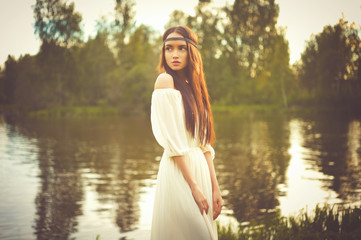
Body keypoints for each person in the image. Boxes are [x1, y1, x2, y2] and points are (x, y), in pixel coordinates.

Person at [150, 25, 222, 240]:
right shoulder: (165, 82)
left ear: (191, 52)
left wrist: (214, 188)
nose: (174, 54)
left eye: (181, 48)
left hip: (200, 170)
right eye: (169, 48)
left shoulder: (195, 87)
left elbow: (204, 144)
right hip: (179, 172)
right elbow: (172, 142)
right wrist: (193, 187)